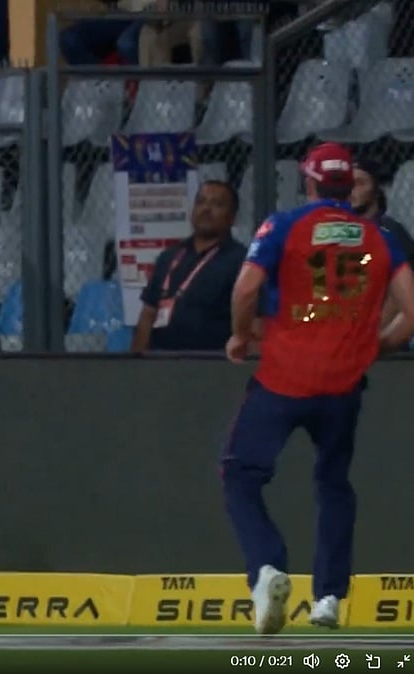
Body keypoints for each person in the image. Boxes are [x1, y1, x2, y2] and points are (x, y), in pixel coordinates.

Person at [222, 143, 414, 635]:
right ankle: (328, 596)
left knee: (242, 474)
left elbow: (246, 289)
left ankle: (267, 568)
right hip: (344, 385)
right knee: (333, 483)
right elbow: (411, 312)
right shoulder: (380, 236)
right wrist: (379, 347)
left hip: (283, 378)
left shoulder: (283, 226)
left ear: (308, 182)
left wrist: (242, 336)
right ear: (348, 185)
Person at [132, 180, 247, 353]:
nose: (206, 209)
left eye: (217, 204)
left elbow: (252, 323)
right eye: (201, 202)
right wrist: (136, 366)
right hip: (160, 365)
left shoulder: (241, 261)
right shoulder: (169, 257)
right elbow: (148, 313)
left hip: (211, 366)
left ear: (232, 217)